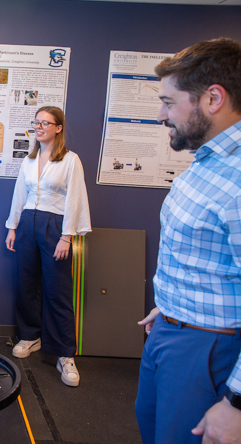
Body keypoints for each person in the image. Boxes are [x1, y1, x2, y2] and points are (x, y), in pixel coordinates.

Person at [135, 37, 241, 444]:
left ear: (213, 98)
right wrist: (174, 302)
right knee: (153, 425)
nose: (161, 114)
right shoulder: (209, 159)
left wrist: (235, 402)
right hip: (172, 327)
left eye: (168, 101)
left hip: (209, 349)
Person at [5, 106, 91, 387]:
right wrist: (12, 227)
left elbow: (75, 199)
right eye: (37, 122)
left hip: (55, 226)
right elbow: (20, 192)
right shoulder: (29, 159)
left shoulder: (70, 160)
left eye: (46, 122)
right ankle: (30, 336)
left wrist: (67, 236)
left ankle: (65, 355)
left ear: (58, 128)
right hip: (28, 224)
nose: (39, 127)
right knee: (25, 285)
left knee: (58, 290)